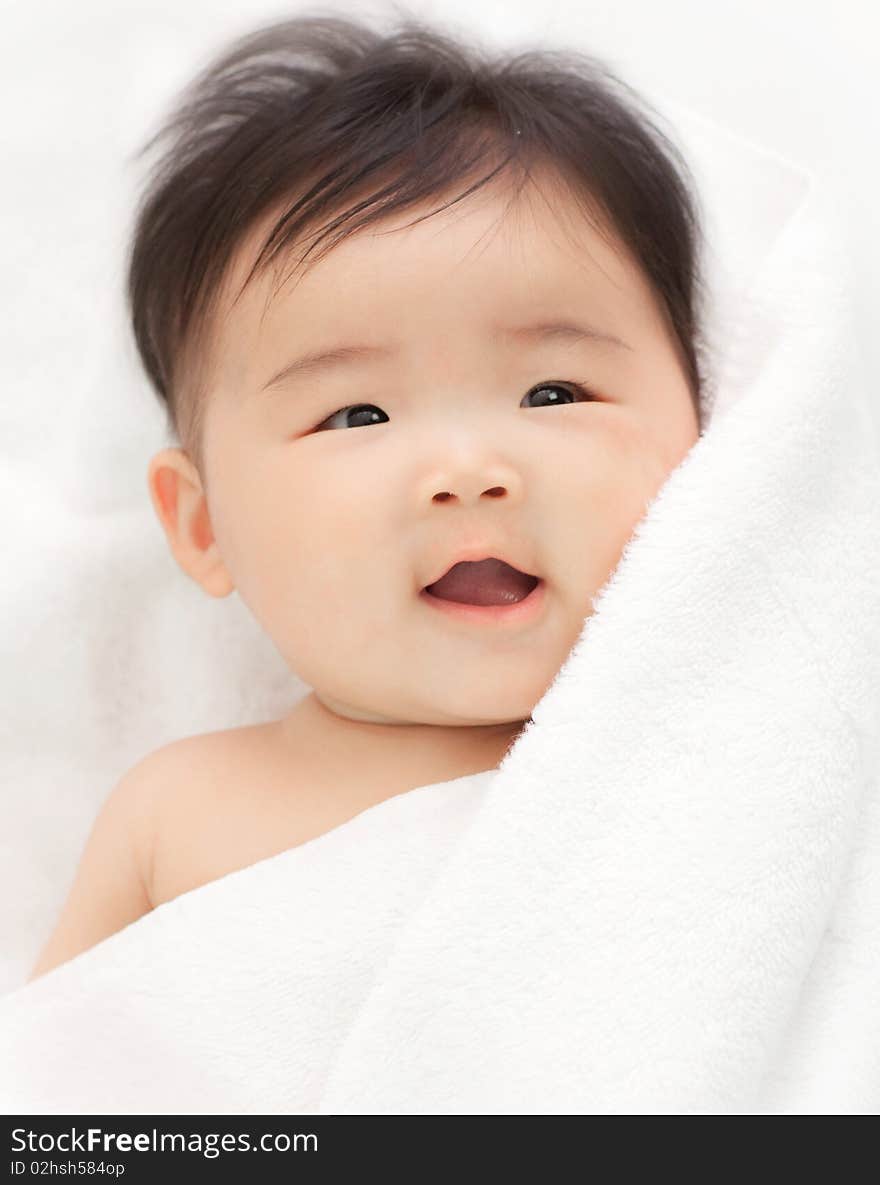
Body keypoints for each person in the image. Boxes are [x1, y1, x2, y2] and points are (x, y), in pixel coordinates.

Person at [29, 10, 703, 981]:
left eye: (553, 393)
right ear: (203, 525)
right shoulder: (178, 815)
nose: (469, 470)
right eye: (357, 416)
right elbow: (58, 1105)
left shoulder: (713, 763)